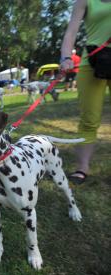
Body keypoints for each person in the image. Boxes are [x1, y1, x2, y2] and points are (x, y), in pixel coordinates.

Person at [60, 0, 111, 184]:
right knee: (89, 120)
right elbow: (71, 31)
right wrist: (66, 57)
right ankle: (82, 167)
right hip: (92, 60)